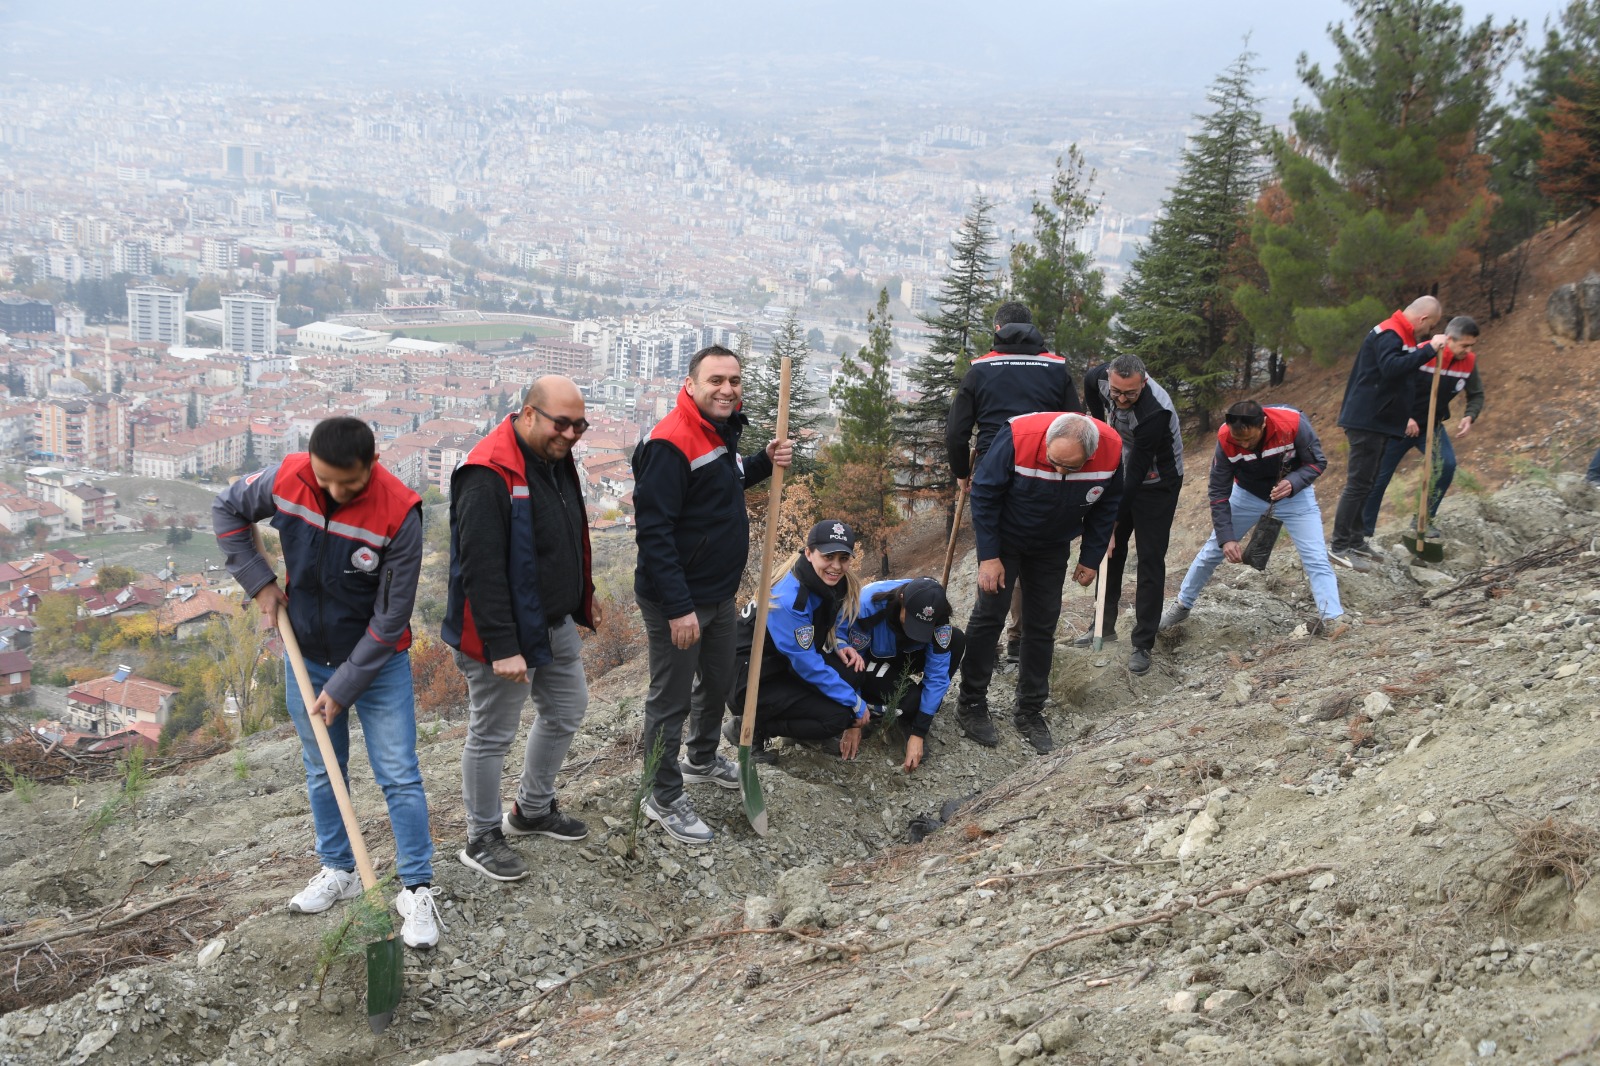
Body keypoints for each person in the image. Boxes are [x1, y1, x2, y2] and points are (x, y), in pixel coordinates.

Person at [213, 416, 440, 949]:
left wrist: (344, 686)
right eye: (325, 480)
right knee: (322, 768)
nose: (335, 492)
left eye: (349, 483)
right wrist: (259, 581)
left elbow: (391, 619)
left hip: (378, 664)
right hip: (307, 655)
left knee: (399, 773)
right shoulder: (289, 477)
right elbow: (227, 509)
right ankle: (338, 869)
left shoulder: (399, 511)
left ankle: (416, 887)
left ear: (373, 464)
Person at [632, 344, 791, 845]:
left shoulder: (719, 429)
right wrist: (678, 608)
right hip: (678, 599)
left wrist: (764, 462)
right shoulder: (670, 442)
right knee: (671, 698)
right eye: (716, 380)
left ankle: (701, 758)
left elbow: (724, 482)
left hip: (718, 592)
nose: (727, 389)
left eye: (734, 381)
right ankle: (661, 793)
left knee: (720, 680)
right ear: (691, 384)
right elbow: (654, 533)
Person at [442, 376, 595, 883]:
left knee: (567, 708)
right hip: (502, 634)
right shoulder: (487, 472)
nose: (571, 434)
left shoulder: (552, 457)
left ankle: (532, 809)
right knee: (492, 734)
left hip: (552, 621)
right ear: (529, 414)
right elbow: (480, 568)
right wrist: (502, 646)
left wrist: (581, 598)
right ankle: (482, 836)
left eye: (579, 425)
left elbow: (563, 536)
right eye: (562, 423)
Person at [957, 412, 1123, 754]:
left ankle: (1030, 709)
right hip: (1005, 537)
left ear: (1090, 455)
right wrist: (988, 556)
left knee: (1042, 624)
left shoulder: (1111, 451)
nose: (1059, 471)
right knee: (990, 615)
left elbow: (1108, 505)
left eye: (1069, 467)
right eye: (1053, 462)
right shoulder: (1018, 438)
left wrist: (1091, 556)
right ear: (1046, 442)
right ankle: (971, 702)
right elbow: (984, 493)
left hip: (1052, 544)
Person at [945, 302, 1085, 663]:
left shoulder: (980, 368)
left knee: (996, 555)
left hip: (994, 472)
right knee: (1033, 555)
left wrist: (962, 471)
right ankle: (1019, 644)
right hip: (1044, 473)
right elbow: (1078, 423)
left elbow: (957, 431)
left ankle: (984, 652)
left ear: (997, 329)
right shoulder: (1057, 368)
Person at [1160, 400, 1343, 632]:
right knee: (1212, 550)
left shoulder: (1292, 424)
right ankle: (1182, 605)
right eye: (1239, 440)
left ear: (1263, 424)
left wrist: (1294, 482)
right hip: (1247, 495)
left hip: (1295, 496)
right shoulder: (1225, 438)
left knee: (1315, 556)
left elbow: (1317, 461)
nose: (1244, 444)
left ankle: (1332, 618)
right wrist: (1227, 538)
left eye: (1249, 439)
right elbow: (1218, 491)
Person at [728, 520, 868, 762]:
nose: (836, 566)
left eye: (843, 558)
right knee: (839, 717)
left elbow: (825, 624)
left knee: (852, 673)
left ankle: (801, 728)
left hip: (783, 663)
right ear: (809, 553)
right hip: (751, 679)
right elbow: (806, 665)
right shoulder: (790, 599)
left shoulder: (828, 581)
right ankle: (751, 727)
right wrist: (855, 703)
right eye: (828, 557)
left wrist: (839, 643)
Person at [1329, 296, 1450, 567]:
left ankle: (1356, 540)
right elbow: (1391, 368)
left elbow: (1402, 370)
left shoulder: (1402, 336)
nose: (1428, 331)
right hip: (1366, 420)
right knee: (1358, 483)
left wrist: (1424, 351)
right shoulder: (1390, 333)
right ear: (1423, 319)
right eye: (1430, 325)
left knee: (1368, 483)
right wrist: (1429, 349)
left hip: (1380, 421)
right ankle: (1339, 546)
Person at [1082, 354, 1184, 675]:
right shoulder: (1097, 379)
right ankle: (1102, 626)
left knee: (1150, 558)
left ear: (1144, 382)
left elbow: (1137, 472)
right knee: (1110, 552)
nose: (1122, 399)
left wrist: (1110, 524)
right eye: (1117, 392)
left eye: (1131, 393)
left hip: (1158, 480)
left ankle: (1143, 642)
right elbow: (1095, 414)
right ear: (1109, 379)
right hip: (1123, 468)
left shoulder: (1154, 411)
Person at [1360, 316, 1485, 540]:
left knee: (1446, 465)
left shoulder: (1469, 362)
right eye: (1464, 345)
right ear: (1448, 339)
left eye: (1472, 346)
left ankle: (1424, 521)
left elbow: (1476, 394)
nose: (1468, 351)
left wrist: (1469, 416)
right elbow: (1391, 386)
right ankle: (1362, 532)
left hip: (1431, 426)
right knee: (1379, 477)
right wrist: (1404, 416)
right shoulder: (1421, 353)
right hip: (1399, 425)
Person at [841, 576, 965, 773]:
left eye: (923, 627)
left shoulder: (939, 616)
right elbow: (851, 664)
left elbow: (938, 675)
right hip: (871, 659)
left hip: (904, 655)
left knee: (956, 639)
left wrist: (919, 731)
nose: (914, 631)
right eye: (911, 621)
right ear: (901, 599)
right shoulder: (867, 607)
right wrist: (853, 718)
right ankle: (876, 706)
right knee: (910, 700)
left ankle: (912, 717)